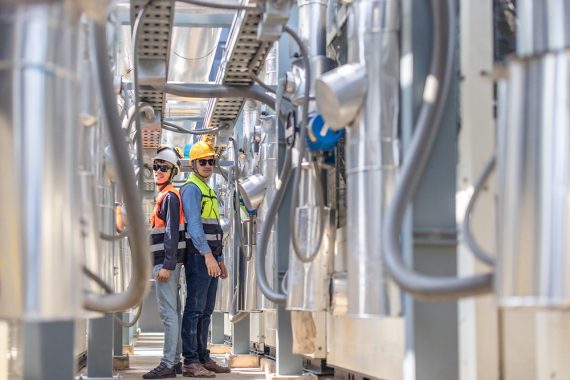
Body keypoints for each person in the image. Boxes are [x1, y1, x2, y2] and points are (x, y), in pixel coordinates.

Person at [180, 141, 230, 377]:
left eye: (211, 161)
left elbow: (214, 229)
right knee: (195, 309)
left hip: (210, 257)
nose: (208, 165)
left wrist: (219, 258)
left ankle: (202, 357)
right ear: (193, 164)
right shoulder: (192, 188)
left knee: (207, 310)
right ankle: (190, 361)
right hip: (199, 258)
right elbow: (195, 227)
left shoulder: (207, 188)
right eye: (203, 161)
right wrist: (208, 256)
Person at [143, 147, 186, 379]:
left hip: (166, 263)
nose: (158, 171)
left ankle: (168, 363)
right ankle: (175, 361)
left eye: (164, 167)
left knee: (168, 314)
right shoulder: (164, 196)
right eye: (156, 166)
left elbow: (171, 233)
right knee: (174, 313)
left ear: (173, 171)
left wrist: (168, 265)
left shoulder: (169, 197)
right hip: (166, 261)